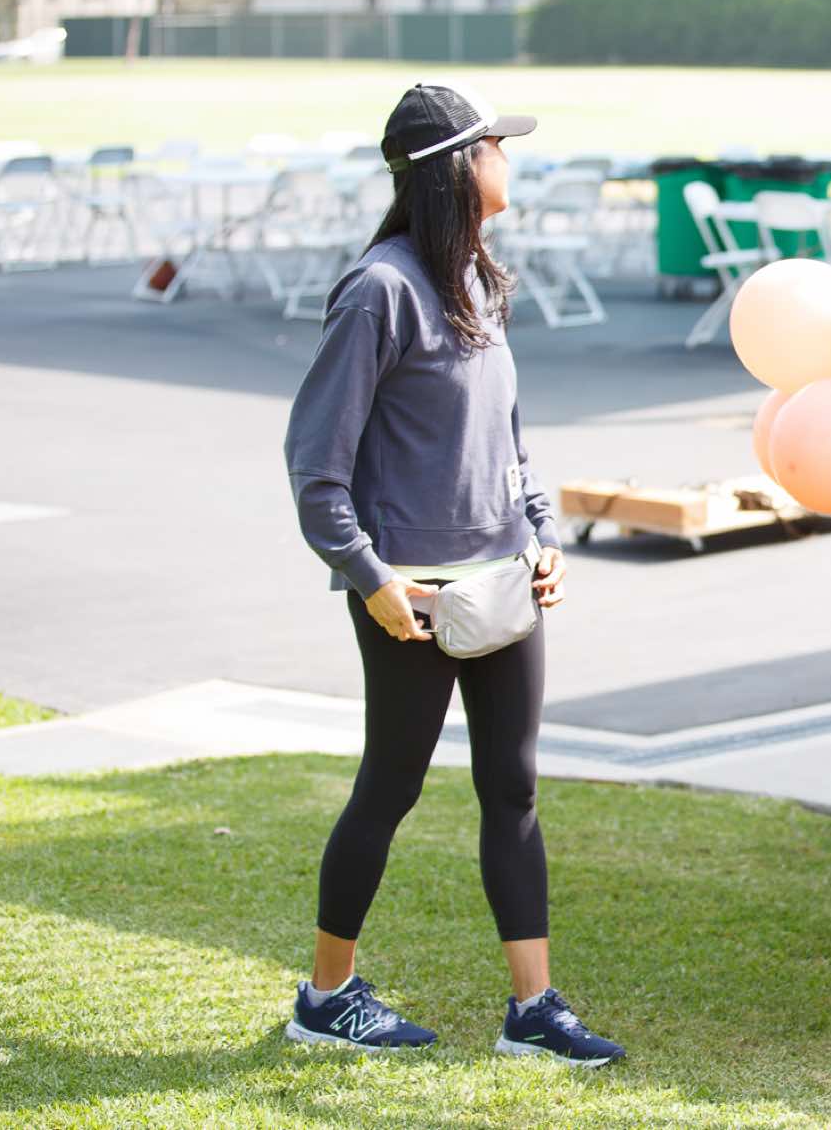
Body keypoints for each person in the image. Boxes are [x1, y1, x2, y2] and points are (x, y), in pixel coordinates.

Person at [280, 82, 623, 1064]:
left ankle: (534, 1010)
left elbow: (509, 443)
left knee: (512, 789)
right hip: (413, 599)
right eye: (494, 145)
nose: (508, 159)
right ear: (458, 169)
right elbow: (315, 468)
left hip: (507, 584)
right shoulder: (378, 291)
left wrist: (542, 534)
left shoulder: (477, 278)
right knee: (389, 787)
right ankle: (325, 996)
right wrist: (371, 581)